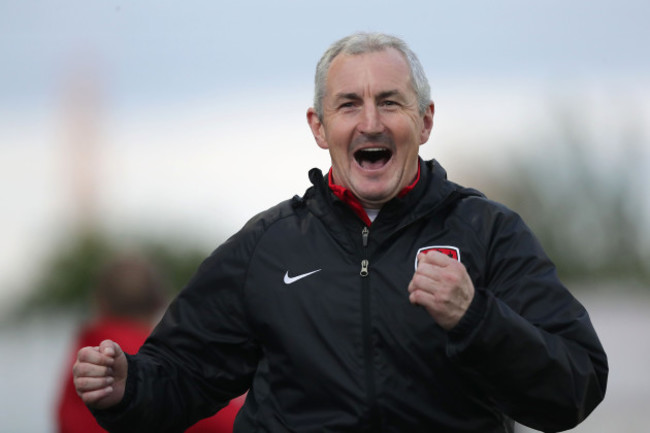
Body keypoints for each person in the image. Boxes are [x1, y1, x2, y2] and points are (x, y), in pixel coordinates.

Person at [72, 32, 608, 432]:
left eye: (390, 102)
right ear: (319, 127)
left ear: (424, 122)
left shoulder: (488, 232)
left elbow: (574, 387)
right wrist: (128, 388)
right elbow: (184, 373)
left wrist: (476, 318)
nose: (370, 122)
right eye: (349, 104)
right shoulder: (266, 245)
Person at [58, 254, 244, 433]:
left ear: (100, 302)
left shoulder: (84, 359)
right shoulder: (169, 368)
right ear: (162, 302)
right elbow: (232, 422)